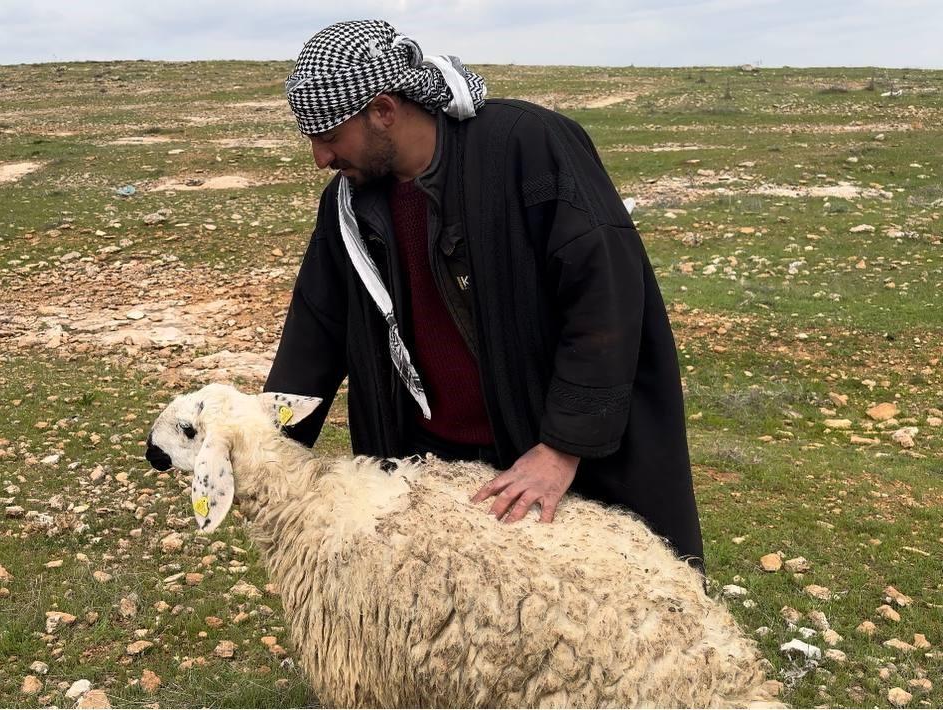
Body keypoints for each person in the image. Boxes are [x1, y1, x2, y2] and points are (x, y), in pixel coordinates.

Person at [264, 19, 703, 568]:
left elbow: (605, 300)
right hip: (430, 467)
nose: (320, 159)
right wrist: (264, 449)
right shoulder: (348, 208)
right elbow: (317, 332)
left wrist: (563, 447)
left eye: (329, 137)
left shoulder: (528, 147)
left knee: (602, 625)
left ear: (383, 109)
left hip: (543, 457)